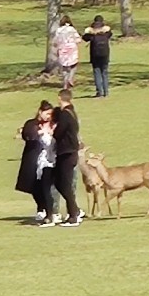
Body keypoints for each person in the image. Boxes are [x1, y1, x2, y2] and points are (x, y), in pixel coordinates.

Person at [15, 100, 57, 225]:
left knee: (45, 186)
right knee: (32, 185)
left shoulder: (52, 124)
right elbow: (27, 135)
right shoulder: (31, 123)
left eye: (50, 114)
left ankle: (48, 210)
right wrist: (39, 132)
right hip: (33, 158)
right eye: (47, 113)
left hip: (47, 159)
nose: (48, 116)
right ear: (40, 112)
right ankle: (41, 207)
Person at [50, 89, 84, 225]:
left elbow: (59, 132)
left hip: (67, 152)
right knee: (61, 183)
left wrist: (53, 132)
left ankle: (73, 214)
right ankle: (74, 210)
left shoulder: (65, 114)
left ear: (60, 98)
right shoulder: (72, 113)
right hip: (69, 152)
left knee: (65, 184)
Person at [83, 13, 114, 96]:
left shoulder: (91, 33)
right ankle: (106, 91)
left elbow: (85, 38)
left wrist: (90, 31)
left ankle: (99, 92)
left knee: (97, 72)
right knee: (105, 72)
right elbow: (110, 34)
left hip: (95, 55)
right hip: (105, 54)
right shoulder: (106, 32)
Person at [52, 14, 82, 93]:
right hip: (72, 48)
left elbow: (55, 41)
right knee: (74, 64)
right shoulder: (71, 29)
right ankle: (70, 78)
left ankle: (65, 84)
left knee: (64, 67)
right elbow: (78, 39)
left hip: (62, 49)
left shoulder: (59, 30)